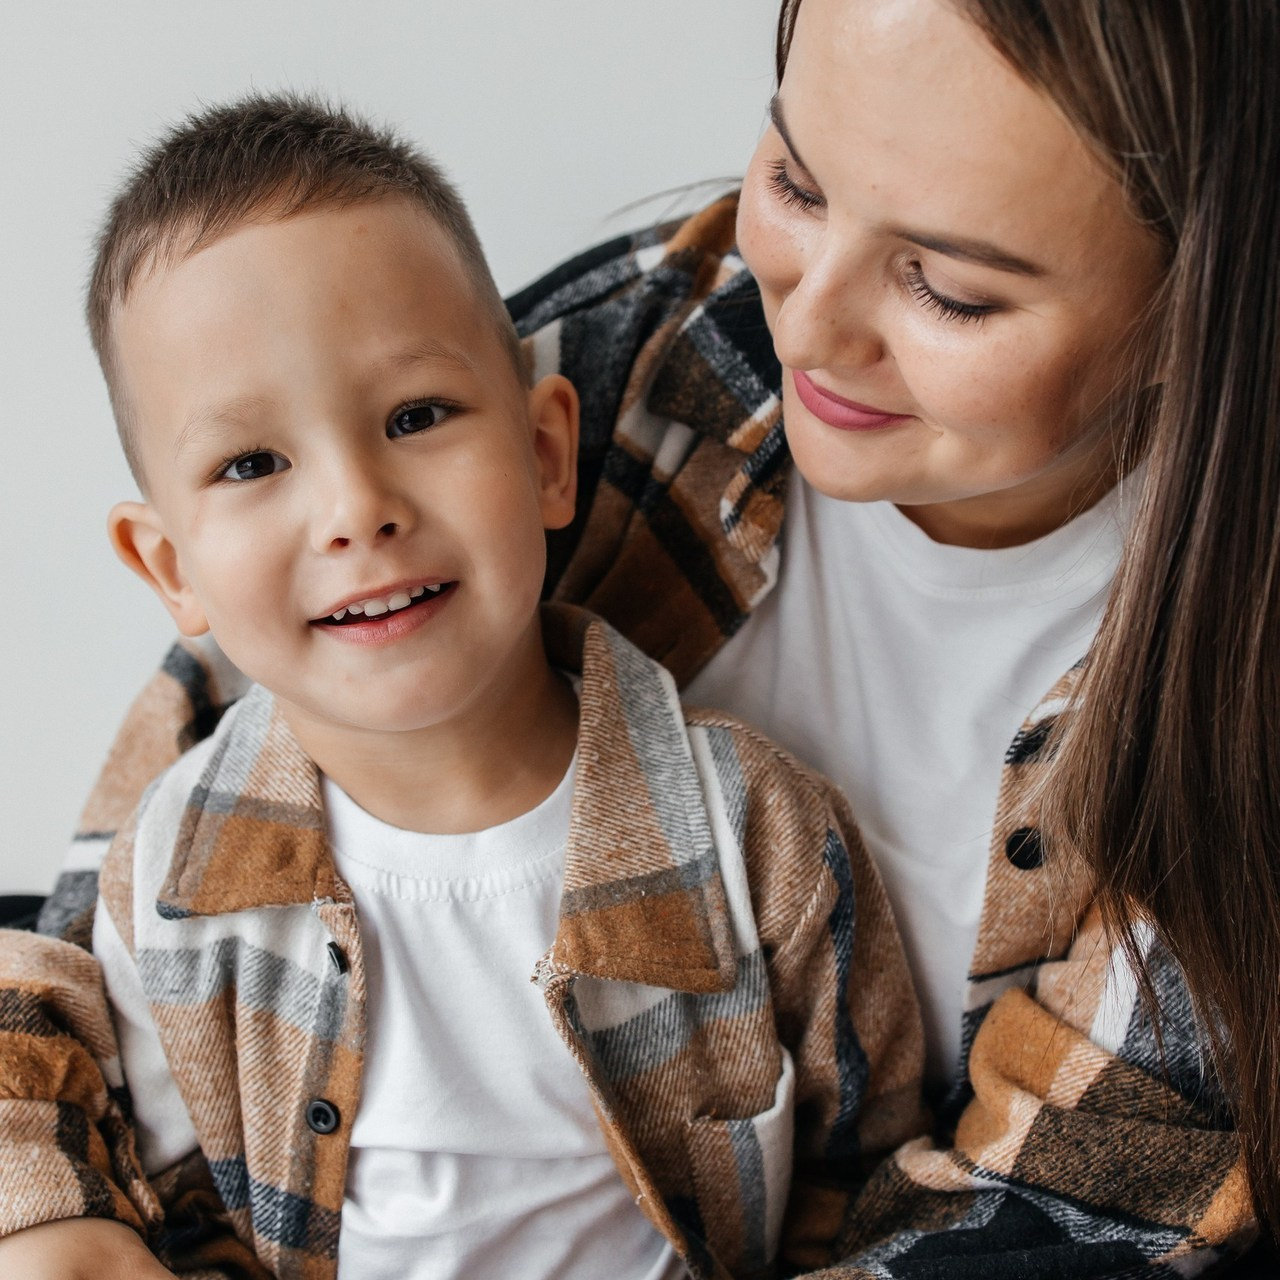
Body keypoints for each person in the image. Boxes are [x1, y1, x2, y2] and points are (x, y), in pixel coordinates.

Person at [0, 0, 1271, 1273]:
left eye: (949, 288)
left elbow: (1057, 1218)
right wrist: (46, 1201)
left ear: (1196, 305)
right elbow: (90, 946)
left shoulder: (1209, 698)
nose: (804, 330)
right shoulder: (642, 364)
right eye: (794, 179)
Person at [0, 96, 926, 1278]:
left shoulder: (760, 838)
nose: (354, 509)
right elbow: (162, 1187)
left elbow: (863, 1190)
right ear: (172, 568)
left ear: (546, 453)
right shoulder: (170, 874)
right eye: (251, 462)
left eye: (415, 415)